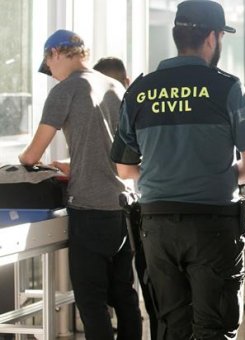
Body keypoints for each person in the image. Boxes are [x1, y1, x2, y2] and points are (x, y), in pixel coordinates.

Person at [110, 1, 245, 338]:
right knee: (213, 326)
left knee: (171, 327)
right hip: (212, 227)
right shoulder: (226, 88)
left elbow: (124, 168)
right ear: (212, 38)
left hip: (156, 226)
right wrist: (214, 175)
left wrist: (160, 173)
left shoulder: (139, 91)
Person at [18, 29, 142, 339]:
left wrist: (24, 158)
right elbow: (117, 153)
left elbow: (33, 153)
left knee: (91, 301)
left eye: (50, 66)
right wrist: (72, 165)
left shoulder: (66, 90)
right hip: (124, 207)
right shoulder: (114, 86)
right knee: (124, 295)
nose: (52, 75)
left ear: (56, 53)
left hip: (90, 211)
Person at [94, 56, 160, 339]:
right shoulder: (137, 103)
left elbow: (122, 165)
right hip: (133, 205)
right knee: (127, 287)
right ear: (127, 81)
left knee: (98, 291)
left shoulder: (99, 105)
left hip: (101, 206)